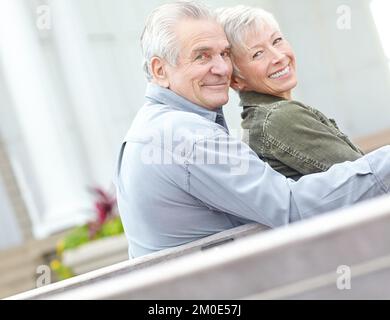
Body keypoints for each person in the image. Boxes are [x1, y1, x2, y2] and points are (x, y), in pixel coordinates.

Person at [115, 0, 390, 258]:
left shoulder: (152, 127)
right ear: (160, 70)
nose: (222, 68)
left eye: (224, 53)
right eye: (202, 56)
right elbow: (290, 207)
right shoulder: (184, 135)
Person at [217, 5, 364, 180]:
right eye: (257, 54)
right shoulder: (278, 118)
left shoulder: (262, 119)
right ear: (236, 80)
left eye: (277, 40)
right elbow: (373, 178)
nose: (278, 57)